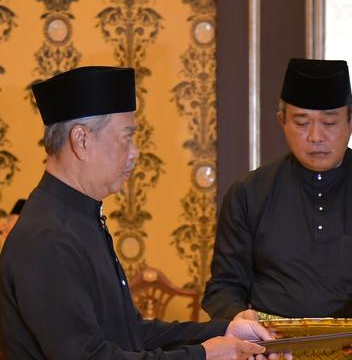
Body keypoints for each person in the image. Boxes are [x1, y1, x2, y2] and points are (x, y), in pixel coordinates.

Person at [0, 66, 280, 359]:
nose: (135, 152)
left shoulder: (78, 220)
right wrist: (202, 355)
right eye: (127, 137)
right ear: (81, 141)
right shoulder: (47, 238)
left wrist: (224, 331)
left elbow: (130, 332)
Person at [202, 59, 352, 322]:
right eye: (302, 123)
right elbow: (223, 287)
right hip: (275, 348)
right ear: (282, 121)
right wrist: (237, 318)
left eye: (330, 123)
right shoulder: (249, 192)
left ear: (351, 120)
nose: (315, 136)